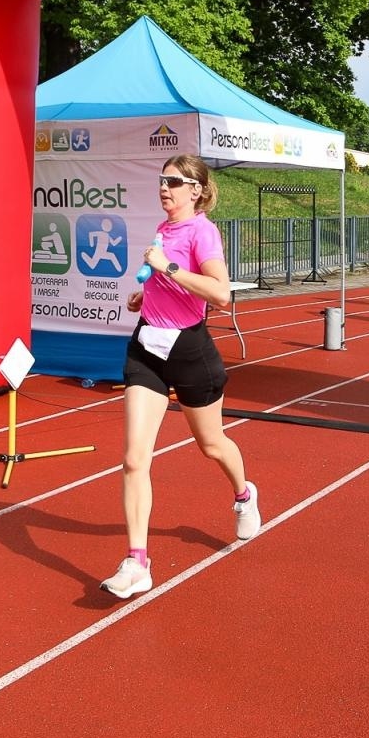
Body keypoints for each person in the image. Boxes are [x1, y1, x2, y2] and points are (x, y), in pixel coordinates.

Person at [101, 154, 260, 599]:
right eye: (161, 180)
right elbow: (168, 286)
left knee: (211, 445)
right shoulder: (164, 229)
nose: (164, 188)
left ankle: (244, 493)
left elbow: (221, 294)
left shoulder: (202, 231)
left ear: (196, 189)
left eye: (174, 181)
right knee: (134, 458)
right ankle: (137, 561)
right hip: (147, 347)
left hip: (189, 351)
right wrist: (143, 295)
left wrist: (167, 267)